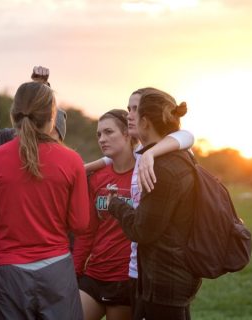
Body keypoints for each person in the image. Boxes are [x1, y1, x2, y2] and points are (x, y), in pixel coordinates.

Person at [0, 81, 89, 319]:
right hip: (56, 272)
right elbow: (80, 224)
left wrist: (9, 222)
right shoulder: (72, 160)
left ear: (13, 115)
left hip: (8, 275)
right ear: (52, 116)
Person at [84, 88, 194, 317]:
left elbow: (186, 136)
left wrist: (115, 204)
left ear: (147, 119)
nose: (129, 115)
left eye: (134, 109)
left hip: (160, 277)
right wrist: (86, 168)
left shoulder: (159, 162)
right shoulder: (141, 155)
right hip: (139, 274)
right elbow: (115, 155)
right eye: (128, 109)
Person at [73, 109, 137, 320]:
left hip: (125, 279)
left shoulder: (142, 174)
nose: (102, 139)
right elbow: (87, 231)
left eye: (109, 132)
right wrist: (75, 271)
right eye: (99, 134)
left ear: (127, 133)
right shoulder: (97, 178)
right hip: (94, 274)